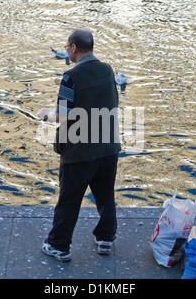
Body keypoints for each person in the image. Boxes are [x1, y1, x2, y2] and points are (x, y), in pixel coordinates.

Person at [37, 29, 121, 262]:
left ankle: (59, 245)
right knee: (105, 195)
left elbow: (62, 116)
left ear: (73, 48)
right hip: (108, 148)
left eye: (67, 47)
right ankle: (105, 239)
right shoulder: (107, 70)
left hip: (80, 151)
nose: (67, 51)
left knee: (69, 199)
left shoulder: (71, 77)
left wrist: (45, 114)